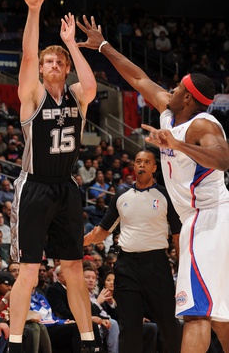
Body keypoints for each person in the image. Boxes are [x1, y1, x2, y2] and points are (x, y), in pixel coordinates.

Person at [77, 15, 229, 353]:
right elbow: (138, 77)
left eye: (177, 88)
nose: (169, 90)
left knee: (196, 315)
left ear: (188, 98)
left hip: (208, 217)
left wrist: (176, 145)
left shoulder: (204, 126)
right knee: (219, 316)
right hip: (206, 220)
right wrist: (103, 46)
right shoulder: (168, 110)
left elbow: (223, 159)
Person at [9, 0, 97, 353]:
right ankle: (15, 343)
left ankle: (89, 341)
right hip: (34, 187)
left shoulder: (78, 94)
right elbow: (29, 55)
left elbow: (91, 84)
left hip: (66, 188)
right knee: (29, 271)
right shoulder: (32, 95)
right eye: (49, 63)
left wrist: (70, 43)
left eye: (59, 62)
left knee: (74, 268)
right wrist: (33, 12)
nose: (54, 66)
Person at [84, 150, 182, 352]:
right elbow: (103, 230)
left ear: (155, 167)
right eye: (138, 161)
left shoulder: (165, 195)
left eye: (147, 162)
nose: (142, 165)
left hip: (156, 264)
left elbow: (177, 235)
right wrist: (83, 240)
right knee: (129, 326)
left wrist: (182, 269)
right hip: (126, 265)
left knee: (168, 324)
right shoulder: (121, 195)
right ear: (134, 166)